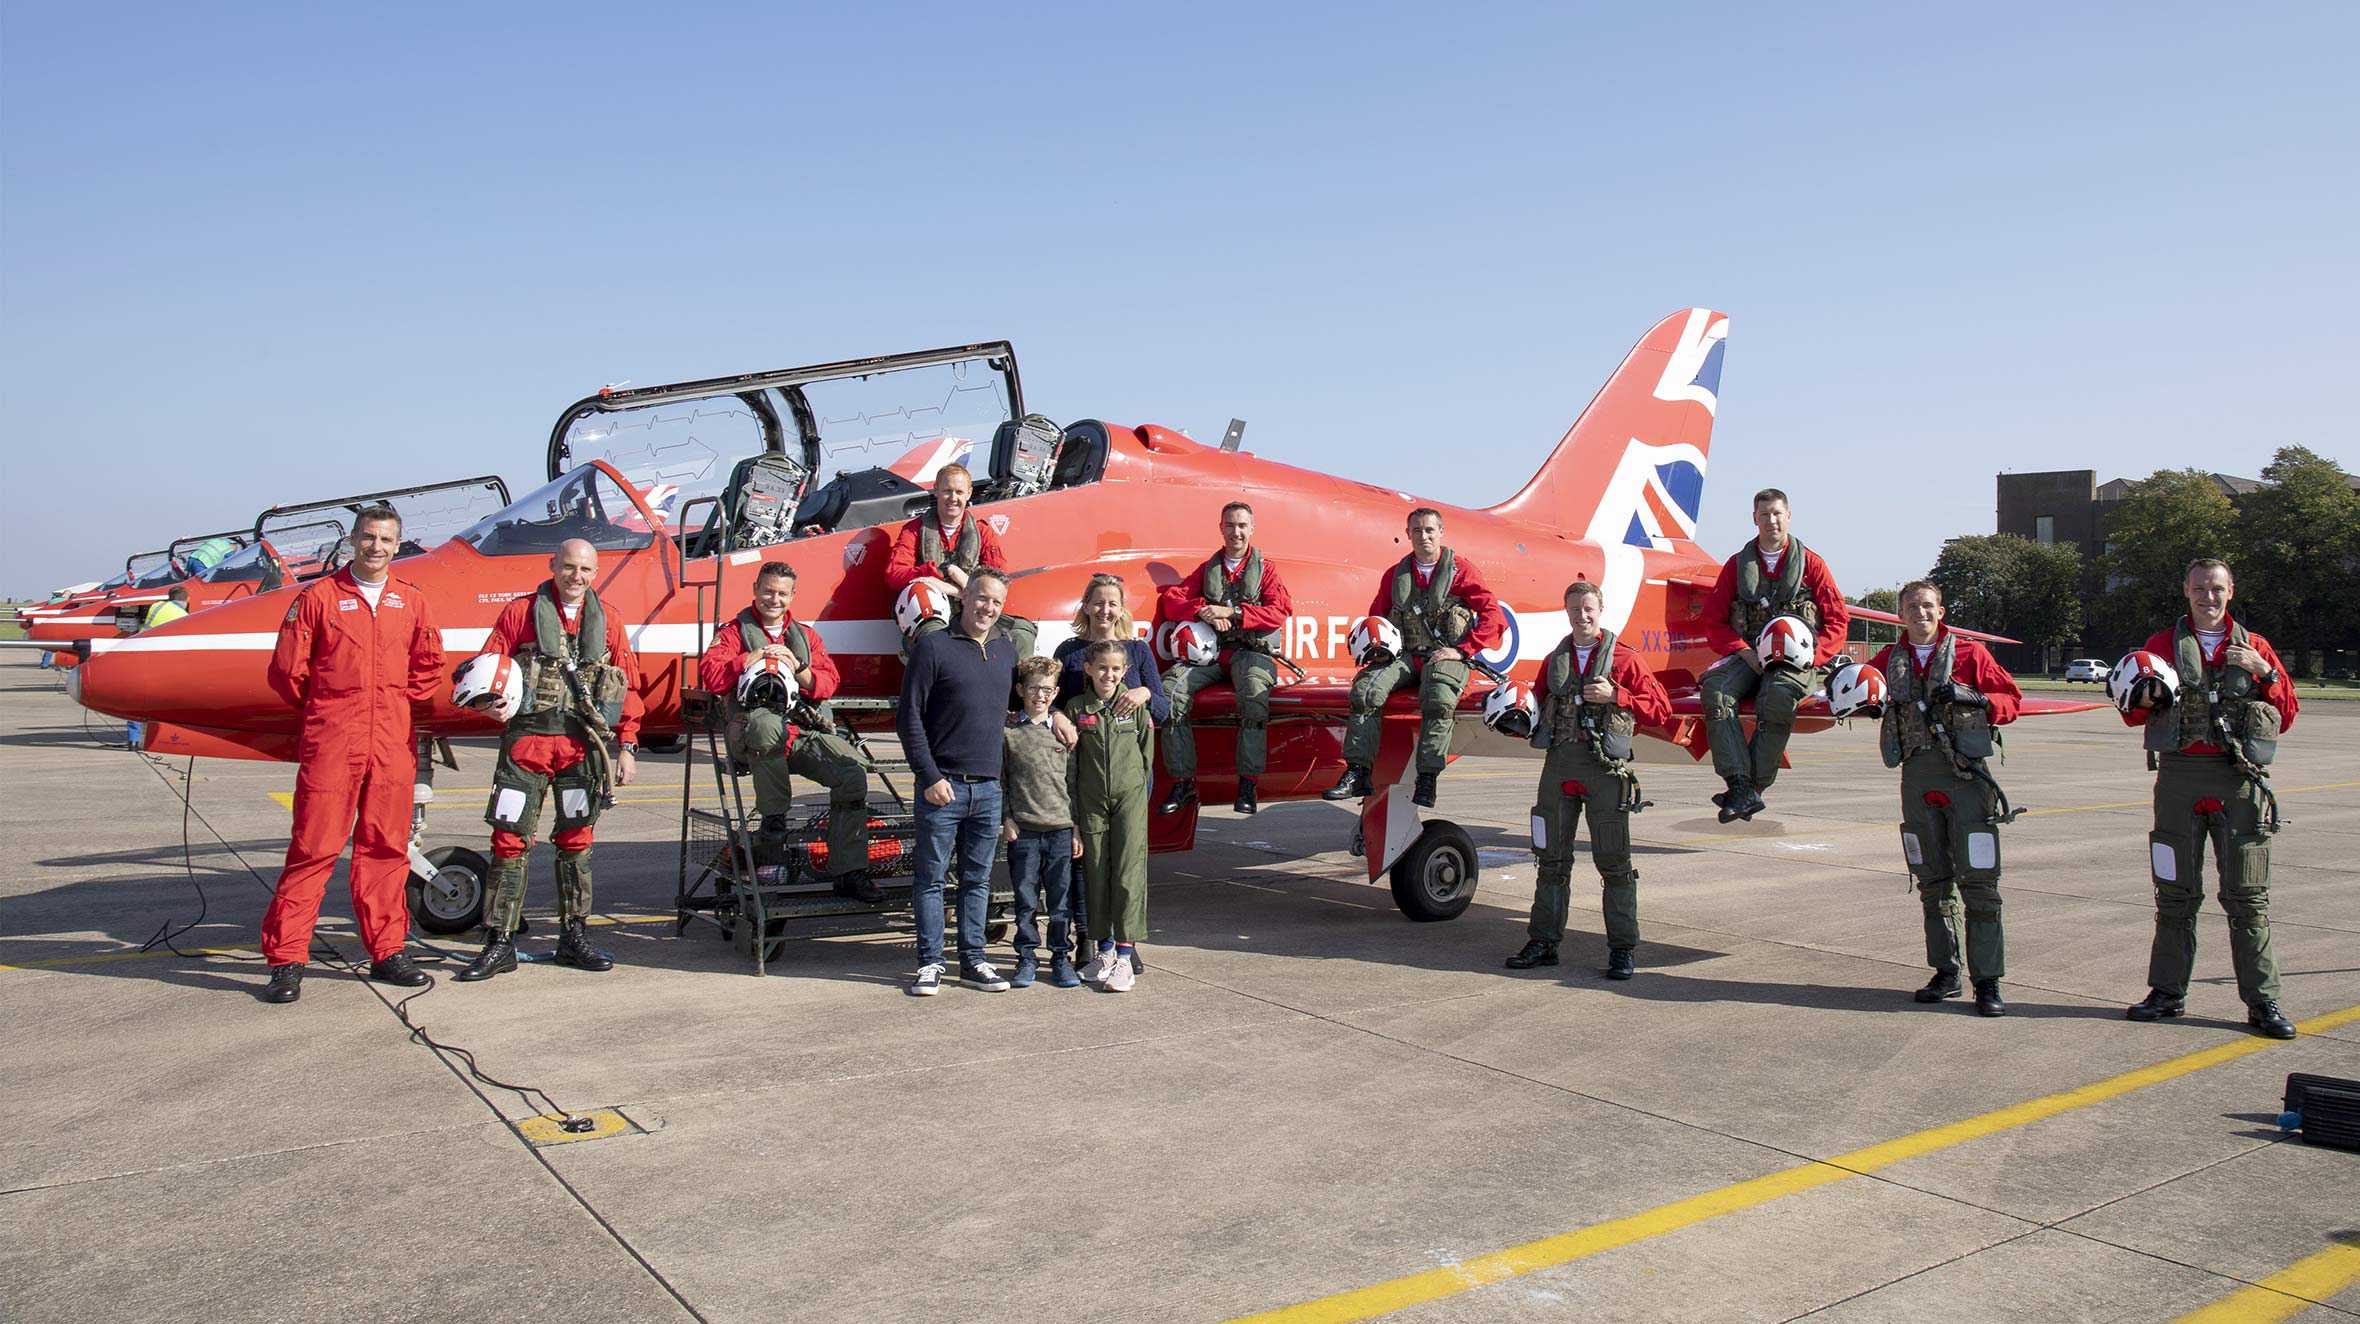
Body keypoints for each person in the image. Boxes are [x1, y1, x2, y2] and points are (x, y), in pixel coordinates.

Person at [257, 505, 443, 1004]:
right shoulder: (318, 597)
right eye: (368, 537)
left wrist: (394, 705)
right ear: (354, 540)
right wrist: (332, 710)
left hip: (391, 743)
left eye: (385, 539)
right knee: (313, 850)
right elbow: (287, 672)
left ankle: (387, 951)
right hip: (333, 742)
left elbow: (429, 667)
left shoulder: (412, 602)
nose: (376, 547)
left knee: (384, 849)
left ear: (397, 545)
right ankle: (287, 960)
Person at [2120, 558, 2300, 1039]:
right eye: (2200, 588)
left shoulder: (2255, 647)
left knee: (2247, 897)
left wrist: (2265, 673)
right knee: (2175, 894)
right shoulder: (2161, 648)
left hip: (2238, 781)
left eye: (2217, 589)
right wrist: (2145, 696)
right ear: (2186, 590)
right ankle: (2167, 993)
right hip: (2179, 778)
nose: (2209, 597)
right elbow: (2132, 715)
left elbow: (2287, 713)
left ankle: (2263, 1002)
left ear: (2231, 591)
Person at [456, 538, 643, 982]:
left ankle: (573, 936)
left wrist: (629, 746)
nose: (576, 577)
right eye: (569, 567)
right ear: (553, 565)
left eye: (585, 570)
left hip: (582, 749)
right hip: (528, 745)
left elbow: (628, 688)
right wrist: (487, 704)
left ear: (594, 573)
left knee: (576, 843)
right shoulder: (519, 613)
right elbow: (489, 665)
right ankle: (499, 941)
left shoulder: (610, 620)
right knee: (509, 841)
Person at [1863, 581, 2023, 1017]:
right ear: (1901, 613)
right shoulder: (1886, 661)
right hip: (1916, 778)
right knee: (1931, 881)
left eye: (1928, 606)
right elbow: (1859, 695)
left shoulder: (1971, 654)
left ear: (1941, 610)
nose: (1921, 613)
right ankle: (1945, 972)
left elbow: (2011, 700)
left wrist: (1973, 695)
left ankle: (1987, 981)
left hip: (1966, 778)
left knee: (1979, 883)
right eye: (1912, 606)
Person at [1506, 581, 1673, 979]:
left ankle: (1622, 948)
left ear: (1601, 610)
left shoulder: (1625, 661)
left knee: (1614, 863)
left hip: (1604, 772)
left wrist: (1618, 696)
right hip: (1559, 767)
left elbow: (1661, 710)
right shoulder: (1553, 660)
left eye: (1588, 609)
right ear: (1566, 613)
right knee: (1550, 860)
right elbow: (1536, 705)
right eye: (1575, 610)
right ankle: (1543, 942)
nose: (1582, 616)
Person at [696, 561, 879, 903]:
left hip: (800, 732)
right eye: (767, 590)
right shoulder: (733, 632)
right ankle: (773, 833)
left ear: (793, 595)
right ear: (755, 589)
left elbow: (829, 683)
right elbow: (711, 676)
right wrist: (746, 659)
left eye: (782, 593)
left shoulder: (806, 637)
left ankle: (850, 871)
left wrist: (799, 667)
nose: (774, 599)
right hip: (752, 734)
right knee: (766, 726)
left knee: (852, 774)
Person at [1325, 507, 1505, 808]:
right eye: (1417, 531)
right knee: (1366, 690)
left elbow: (1492, 614)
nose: (1424, 536)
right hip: (1405, 655)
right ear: (1408, 534)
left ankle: (1428, 778)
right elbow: (1378, 617)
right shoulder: (1395, 576)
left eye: (1430, 530)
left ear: (1441, 533)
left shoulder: (1460, 571)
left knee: (1438, 698)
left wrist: (1463, 651)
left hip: (1443, 654)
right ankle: (1357, 772)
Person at [899, 568, 1024, 995]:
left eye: (996, 603)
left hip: (988, 789)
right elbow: (909, 718)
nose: (988, 608)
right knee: (931, 879)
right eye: (982, 598)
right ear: (964, 598)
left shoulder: (1007, 651)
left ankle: (973, 961)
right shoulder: (932, 648)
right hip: (943, 787)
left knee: (978, 880)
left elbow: (1017, 710)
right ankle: (931, 963)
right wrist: (929, 776)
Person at [1697, 488, 1850, 822]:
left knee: (1778, 696)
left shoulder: (1812, 565)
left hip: (1798, 660)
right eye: (1764, 514)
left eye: (1777, 513)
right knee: (1716, 691)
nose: (1771, 521)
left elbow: (1837, 620)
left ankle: (1753, 788)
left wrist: (1815, 656)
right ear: (1754, 519)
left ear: (1788, 516)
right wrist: (1742, 651)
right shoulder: (1736, 567)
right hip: (1751, 655)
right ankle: (1739, 784)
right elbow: (1713, 620)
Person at [1154, 501, 1294, 815]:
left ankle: (1248, 782)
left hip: (1252, 653)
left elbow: (1279, 612)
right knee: (1170, 693)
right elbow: (1173, 601)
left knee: (1253, 695)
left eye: (1242, 526)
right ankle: (1183, 782)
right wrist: (1202, 609)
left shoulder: (1266, 570)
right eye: (1230, 525)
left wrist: (1232, 612)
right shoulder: (1209, 569)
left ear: (1252, 529)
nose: (1236, 532)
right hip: (1214, 656)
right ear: (1221, 528)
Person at [1067, 640, 1155, 992]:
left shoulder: (1134, 708)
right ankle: (1103, 950)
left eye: (1116, 669)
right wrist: (1074, 812)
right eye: (1102, 667)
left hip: (1129, 799)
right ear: (1088, 669)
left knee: (1128, 872)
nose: (1109, 674)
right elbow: (1071, 767)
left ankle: (1125, 953)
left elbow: (1146, 757)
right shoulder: (1077, 709)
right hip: (1091, 802)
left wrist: (1136, 797)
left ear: (1125, 672)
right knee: (1097, 871)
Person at [883, 462, 1037, 657]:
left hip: (976, 613)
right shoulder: (914, 530)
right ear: (936, 491)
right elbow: (895, 575)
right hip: (933, 618)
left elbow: (999, 582)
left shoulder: (982, 532)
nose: (953, 498)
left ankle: (1016, 687)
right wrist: (936, 571)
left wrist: (951, 580)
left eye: (959, 492)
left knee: (1022, 634)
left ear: (969, 494)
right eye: (947, 491)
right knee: (936, 640)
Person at [1003, 656, 1084, 988]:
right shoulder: (1008, 733)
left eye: (1047, 690)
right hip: (1024, 830)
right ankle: (1026, 956)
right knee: (1025, 900)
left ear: (1056, 693)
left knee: (1060, 901)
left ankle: (1061, 956)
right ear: (1021, 689)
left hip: (1061, 830)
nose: (1040, 695)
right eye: (1034, 688)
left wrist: (1076, 826)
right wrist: (1006, 818)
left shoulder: (1066, 735)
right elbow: (1001, 780)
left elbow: (1075, 784)